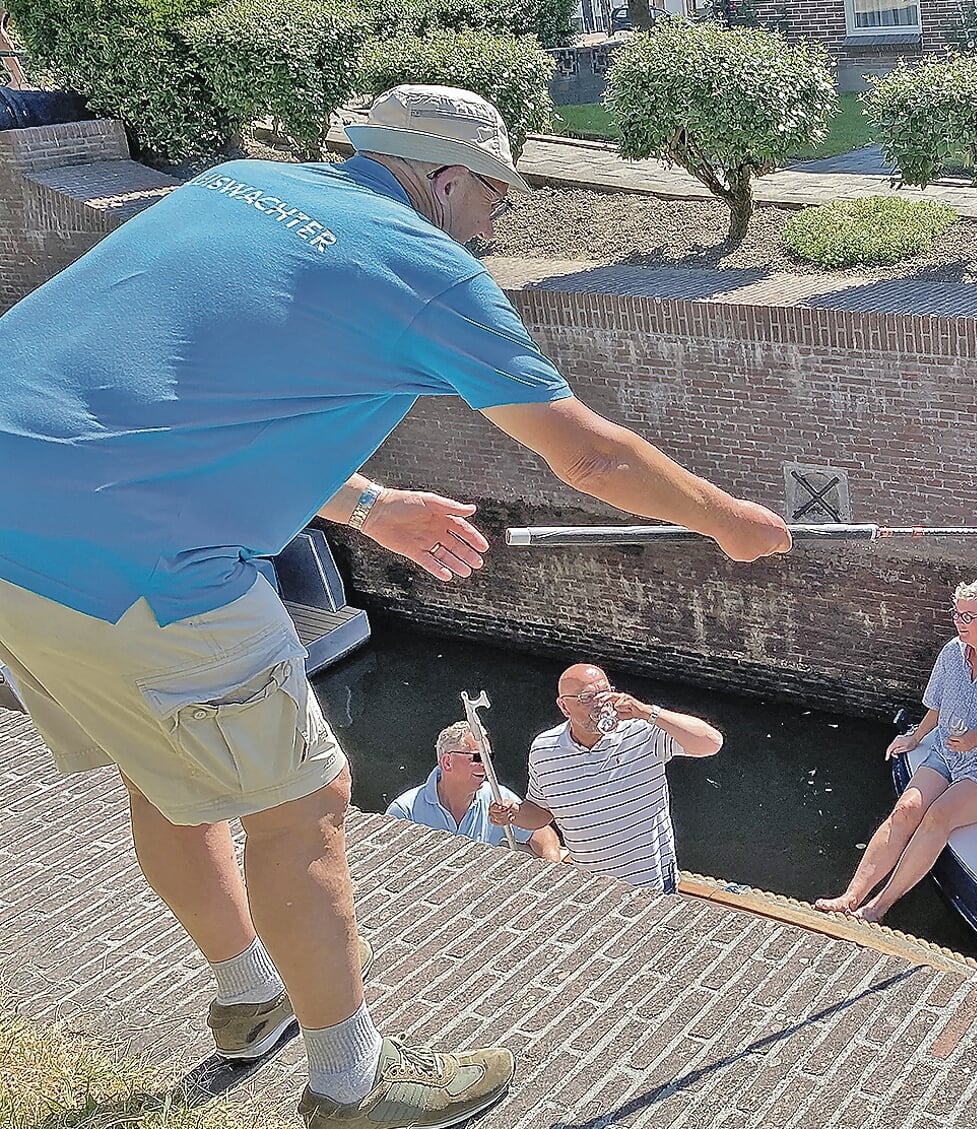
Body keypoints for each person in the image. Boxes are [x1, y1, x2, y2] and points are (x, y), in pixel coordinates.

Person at [0, 84, 789, 1129]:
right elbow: (589, 455)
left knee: (169, 771)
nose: (496, 222)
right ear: (447, 178)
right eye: (497, 198)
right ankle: (352, 1081)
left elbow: (165, 395)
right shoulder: (426, 268)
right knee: (304, 807)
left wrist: (366, 502)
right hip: (144, 558)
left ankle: (249, 999)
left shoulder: (239, 185)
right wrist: (726, 518)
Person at [814, 578, 977, 923]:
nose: (960, 623)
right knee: (906, 809)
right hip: (950, 750)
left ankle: (877, 908)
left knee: (939, 816)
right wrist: (914, 738)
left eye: (969, 616)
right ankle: (849, 898)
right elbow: (938, 706)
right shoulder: (952, 652)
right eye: (957, 615)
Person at [490, 665, 721, 893]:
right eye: (588, 697)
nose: (600, 703)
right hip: (592, 887)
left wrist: (648, 712)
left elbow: (711, 743)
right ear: (564, 707)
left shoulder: (642, 732)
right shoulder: (544, 750)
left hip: (652, 885)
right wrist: (514, 814)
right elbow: (541, 812)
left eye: (604, 692)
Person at [386, 722, 563, 861]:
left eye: (489, 757)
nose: (486, 765)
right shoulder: (404, 812)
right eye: (478, 757)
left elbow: (541, 832)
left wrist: (550, 868)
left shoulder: (496, 797)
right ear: (447, 762)